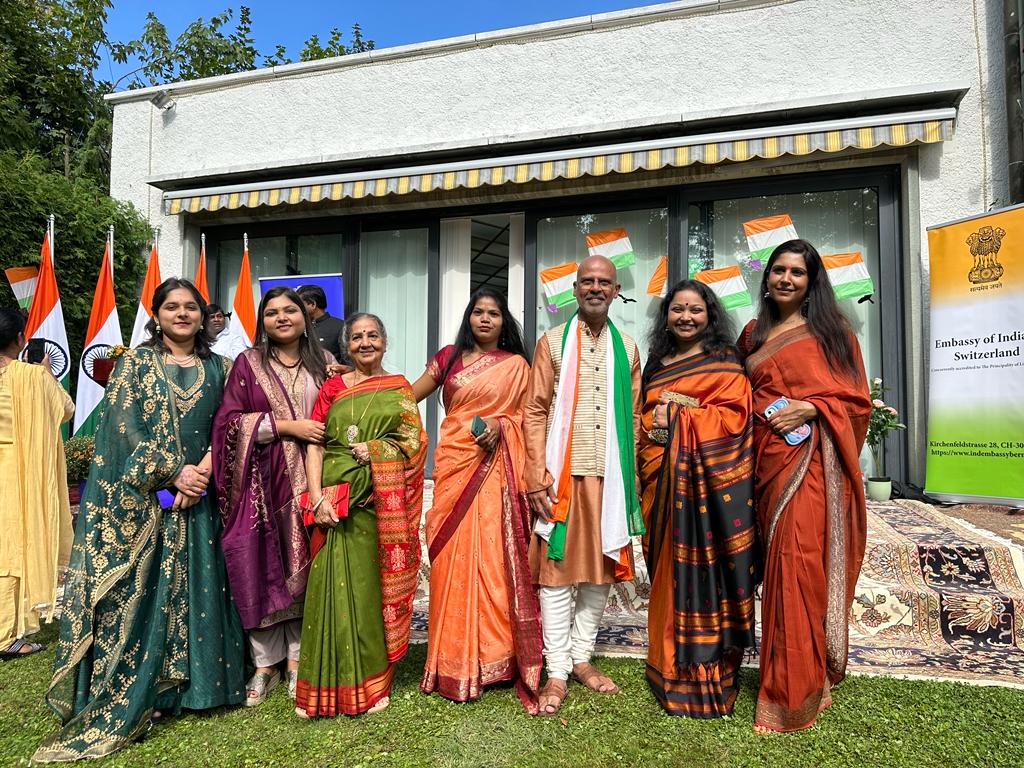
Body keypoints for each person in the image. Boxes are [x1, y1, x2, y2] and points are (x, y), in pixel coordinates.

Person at [35, 279, 244, 763]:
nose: (182, 314)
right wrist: (174, 474)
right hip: (151, 502)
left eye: (191, 307)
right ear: (157, 314)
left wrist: (204, 473)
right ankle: (151, 691)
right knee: (145, 592)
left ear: (203, 315)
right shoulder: (135, 363)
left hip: (204, 498)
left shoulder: (222, 367)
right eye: (172, 306)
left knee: (204, 589)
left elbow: (231, 422)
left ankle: (198, 690)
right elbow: (123, 427)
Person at [737, 239, 871, 734]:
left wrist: (815, 407)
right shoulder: (752, 335)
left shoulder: (833, 332)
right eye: (778, 270)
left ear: (812, 281)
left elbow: (856, 401)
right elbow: (736, 395)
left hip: (814, 463)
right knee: (778, 567)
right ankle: (801, 673)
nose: (786, 279)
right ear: (767, 277)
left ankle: (793, 689)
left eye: (797, 272)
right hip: (766, 461)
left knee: (800, 565)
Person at [412, 288, 542, 713]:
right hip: (454, 463)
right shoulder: (447, 357)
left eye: (494, 314)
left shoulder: (517, 366)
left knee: (492, 559)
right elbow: (405, 397)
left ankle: (494, 659)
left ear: (504, 323)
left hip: (495, 470)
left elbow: (528, 418)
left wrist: (501, 429)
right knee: (450, 558)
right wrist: (357, 384)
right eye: (479, 313)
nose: (486, 319)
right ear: (469, 318)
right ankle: (449, 657)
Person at [523, 255, 643, 716]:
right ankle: (556, 669)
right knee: (556, 573)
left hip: (610, 477)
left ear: (615, 291)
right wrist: (536, 473)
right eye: (587, 282)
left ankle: (581, 657)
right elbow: (534, 409)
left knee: (601, 569)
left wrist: (627, 474)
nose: (596, 288)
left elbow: (632, 414)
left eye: (604, 282)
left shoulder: (628, 348)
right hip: (561, 474)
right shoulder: (552, 342)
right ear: (573, 289)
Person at [294, 313, 426, 717]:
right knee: (327, 592)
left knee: (368, 594)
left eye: (372, 336)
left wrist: (379, 450)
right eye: (356, 337)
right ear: (346, 345)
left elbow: (415, 446)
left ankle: (372, 683)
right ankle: (320, 685)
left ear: (385, 342)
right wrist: (317, 499)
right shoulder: (331, 387)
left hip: (372, 508)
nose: (365, 343)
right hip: (331, 503)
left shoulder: (400, 389)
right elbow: (315, 444)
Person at [639, 280, 757, 717]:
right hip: (662, 485)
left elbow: (736, 419)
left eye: (695, 310)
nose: (685, 317)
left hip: (708, 492)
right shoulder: (656, 363)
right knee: (668, 576)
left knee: (706, 576)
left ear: (709, 316)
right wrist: (661, 426)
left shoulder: (725, 360)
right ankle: (666, 666)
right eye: (677, 310)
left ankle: (707, 676)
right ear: (666, 315)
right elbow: (645, 421)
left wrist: (683, 415)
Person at [213, 287, 335, 707]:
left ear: (306, 316)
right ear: (261, 321)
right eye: (271, 312)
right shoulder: (248, 364)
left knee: (308, 563)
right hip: (260, 485)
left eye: (289, 310)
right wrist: (287, 427)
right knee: (260, 563)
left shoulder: (327, 366)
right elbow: (228, 423)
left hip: (313, 482)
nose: (281, 318)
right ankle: (265, 663)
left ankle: (299, 658)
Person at [0, 309, 74, 660]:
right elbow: (66, 410)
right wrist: (46, 375)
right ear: (19, 339)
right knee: (12, 549)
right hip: (17, 472)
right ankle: (5, 636)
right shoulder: (31, 377)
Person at [298, 285, 347, 363]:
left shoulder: (340, 326)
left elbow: (347, 361)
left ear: (312, 304)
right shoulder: (298, 327)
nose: (297, 309)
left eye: (300, 305)